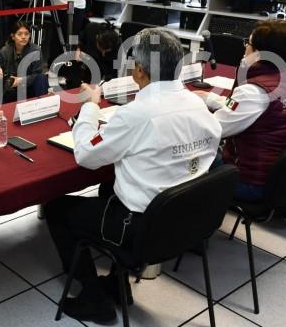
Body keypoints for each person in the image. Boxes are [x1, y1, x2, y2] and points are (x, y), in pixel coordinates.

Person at [44, 28, 221, 323]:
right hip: (189, 221)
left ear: (138, 70)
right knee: (109, 187)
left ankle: (94, 298)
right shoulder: (198, 104)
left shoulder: (136, 114)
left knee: (56, 208)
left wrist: (89, 108)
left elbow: (86, 155)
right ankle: (117, 283)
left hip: (143, 228)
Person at [196, 20, 286, 201]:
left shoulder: (253, 92)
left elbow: (212, 130)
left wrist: (186, 111)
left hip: (249, 183)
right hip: (278, 176)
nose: (245, 47)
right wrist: (211, 99)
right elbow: (249, 109)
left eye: (248, 43)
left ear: (258, 54)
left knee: (192, 147)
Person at [0, 21, 46, 103]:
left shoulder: (36, 50)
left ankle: (42, 106)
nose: (23, 37)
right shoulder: (4, 51)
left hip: (30, 88)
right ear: (13, 36)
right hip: (12, 90)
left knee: (41, 78)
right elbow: (0, 71)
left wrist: (22, 80)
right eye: (20, 34)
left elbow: (37, 74)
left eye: (26, 34)